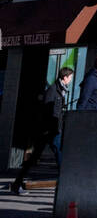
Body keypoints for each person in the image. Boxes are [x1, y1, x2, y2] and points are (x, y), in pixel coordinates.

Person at [10, 67, 73, 195]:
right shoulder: (52, 91)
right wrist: (52, 128)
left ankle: (17, 184)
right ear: (65, 77)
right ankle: (66, 183)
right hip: (48, 130)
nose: (71, 80)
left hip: (52, 129)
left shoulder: (60, 90)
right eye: (70, 77)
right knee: (57, 153)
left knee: (38, 156)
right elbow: (47, 111)